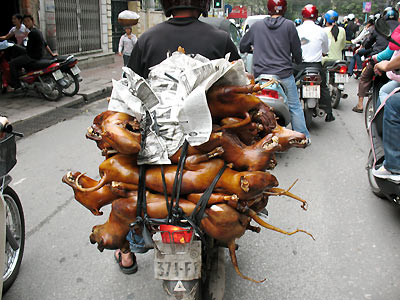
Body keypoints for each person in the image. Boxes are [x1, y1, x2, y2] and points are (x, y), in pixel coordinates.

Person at [119, 0, 241, 274]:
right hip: (207, 145)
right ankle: (230, 229)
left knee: (127, 178)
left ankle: (128, 250)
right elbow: (237, 89)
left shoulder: (147, 39)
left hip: (159, 146)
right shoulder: (220, 39)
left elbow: (130, 93)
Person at [239, 0, 311, 140]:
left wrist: (253, 48)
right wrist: (297, 60)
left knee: (252, 107)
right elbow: (297, 51)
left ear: (269, 9)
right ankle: (302, 137)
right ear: (284, 9)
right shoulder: (289, 26)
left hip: (261, 76)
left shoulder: (256, 26)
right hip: (284, 75)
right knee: (295, 107)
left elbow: (243, 47)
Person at [127, 1, 240, 79]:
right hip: (210, 114)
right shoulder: (221, 39)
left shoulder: (146, 40)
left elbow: (128, 90)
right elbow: (242, 84)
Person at [352, 7, 399, 113]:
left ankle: (360, 105)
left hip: (383, 60)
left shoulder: (379, 27)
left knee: (364, 79)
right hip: (393, 64)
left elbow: (371, 43)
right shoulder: (397, 27)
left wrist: (373, 56)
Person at [296, 4, 335, 122]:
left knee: (291, 86)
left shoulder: (296, 30)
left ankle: (289, 109)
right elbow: (325, 50)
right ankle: (329, 113)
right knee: (324, 87)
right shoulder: (321, 31)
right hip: (316, 66)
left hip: (299, 66)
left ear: (303, 16)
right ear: (316, 16)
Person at [8, 14, 57, 89]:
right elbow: (45, 44)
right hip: (38, 55)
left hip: (32, 56)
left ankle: (16, 85)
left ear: (32, 21)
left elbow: (28, 49)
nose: (26, 23)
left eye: (28, 21)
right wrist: (52, 54)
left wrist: (17, 47)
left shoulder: (32, 33)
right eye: (25, 22)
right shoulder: (37, 31)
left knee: (12, 63)